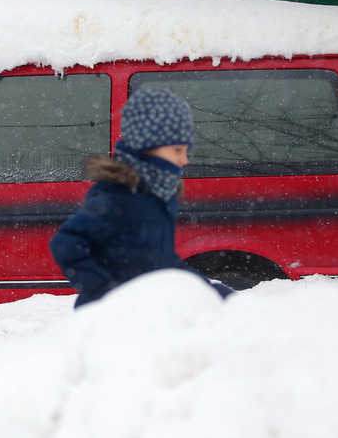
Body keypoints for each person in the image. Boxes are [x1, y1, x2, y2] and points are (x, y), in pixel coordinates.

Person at [50, 88, 234, 308]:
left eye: (187, 150)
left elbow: (164, 263)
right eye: (177, 150)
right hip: (111, 323)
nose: (184, 160)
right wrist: (105, 292)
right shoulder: (117, 196)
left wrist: (213, 293)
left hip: (145, 315)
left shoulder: (158, 197)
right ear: (148, 146)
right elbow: (66, 243)